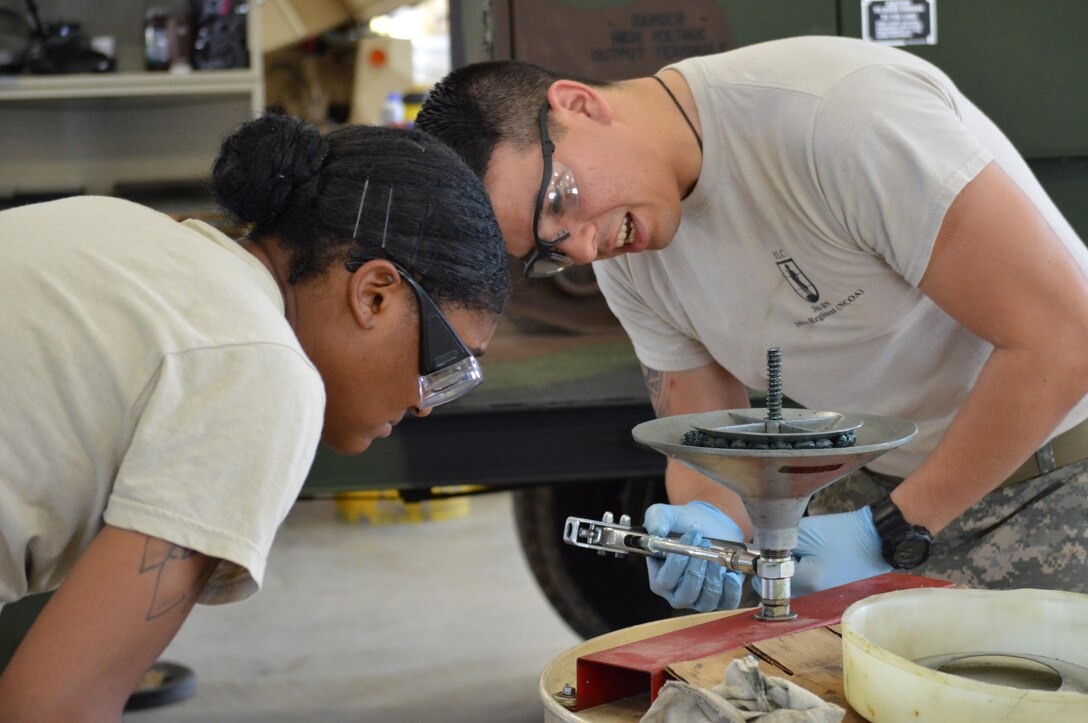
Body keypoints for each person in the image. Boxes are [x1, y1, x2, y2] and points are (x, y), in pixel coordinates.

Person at [415, 35, 1088, 614]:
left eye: (561, 198)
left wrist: (895, 527)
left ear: (581, 104)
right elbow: (707, 438)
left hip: (1059, 471)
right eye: (548, 250)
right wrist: (707, 523)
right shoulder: (624, 247)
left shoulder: (837, 118)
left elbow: (1064, 336)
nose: (584, 248)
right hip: (893, 487)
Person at [0, 113, 510, 718]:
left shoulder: (113, 225)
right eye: (446, 362)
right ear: (375, 293)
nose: (426, 402)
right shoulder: (263, 371)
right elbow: (53, 706)